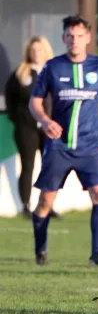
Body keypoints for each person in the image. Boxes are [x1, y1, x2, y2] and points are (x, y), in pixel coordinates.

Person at [28, 15, 98, 266]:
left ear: (88, 38)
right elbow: (34, 101)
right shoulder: (52, 67)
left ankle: (97, 254)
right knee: (46, 200)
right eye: (69, 36)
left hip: (91, 146)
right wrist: (45, 121)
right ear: (63, 38)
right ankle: (41, 250)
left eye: (79, 36)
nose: (74, 41)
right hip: (59, 146)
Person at [4, 36, 58, 219]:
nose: (36, 53)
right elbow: (10, 99)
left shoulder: (54, 71)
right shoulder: (21, 74)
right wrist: (19, 119)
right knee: (28, 166)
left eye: (40, 50)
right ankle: (26, 205)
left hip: (49, 127)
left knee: (49, 166)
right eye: (33, 50)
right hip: (26, 127)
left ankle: (47, 205)